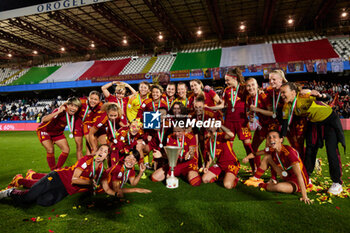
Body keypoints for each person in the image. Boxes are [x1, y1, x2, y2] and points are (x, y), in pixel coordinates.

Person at [279, 82, 346, 195]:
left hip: (329, 120)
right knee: (310, 150)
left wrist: (320, 95)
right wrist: (281, 137)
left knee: (331, 150)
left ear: (293, 92)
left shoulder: (303, 96)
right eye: (281, 93)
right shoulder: (286, 106)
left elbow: (328, 98)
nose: (282, 95)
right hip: (314, 124)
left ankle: (337, 183)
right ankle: (307, 177)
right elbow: (285, 124)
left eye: (284, 92)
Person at [0, 145, 111, 206]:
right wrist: (90, 183)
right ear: (96, 151)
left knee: (44, 202)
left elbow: (105, 186)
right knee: (27, 198)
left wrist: (115, 192)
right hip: (58, 178)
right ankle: (10, 192)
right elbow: (74, 180)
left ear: (106, 157)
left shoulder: (102, 170)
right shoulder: (87, 159)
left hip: (65, 190)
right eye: (101, 149)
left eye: (105, 151)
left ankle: (33, 188)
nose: (102, 152)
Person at [243, 131, 311, 204]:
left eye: (274, 137)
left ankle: (262, 184)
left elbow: (299, 175)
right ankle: (256, 179)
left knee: (279, 187)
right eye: (269, 137)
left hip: (297, 181)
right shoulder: (271, 149)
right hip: (285, 175)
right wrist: (247, 157)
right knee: (267, 157)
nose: (271, 139)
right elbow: (255, 154)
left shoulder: (289, 152)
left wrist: (304, 196)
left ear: (281, 139)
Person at [37, 97, 81, 170]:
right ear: (67, 105)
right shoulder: (60, 110)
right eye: (72, 105)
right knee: (50, 149)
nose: (73, 108)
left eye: (76, 106)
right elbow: (44, 120)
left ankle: (57, 169)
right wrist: (58, 112)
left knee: (66, 149)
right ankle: (52, 171)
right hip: (45, 131)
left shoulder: (74, 115)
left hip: (58, 133)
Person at [202, 125, 240, 189]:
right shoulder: (208, 141)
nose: (210, 126)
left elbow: (231, 135)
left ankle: (234, 178)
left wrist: (221, 126)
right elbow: (211, 156)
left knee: (227, 185)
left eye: (213, 125)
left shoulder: (221, 135)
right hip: (220, 165)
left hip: (231, 164)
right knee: (204, 179)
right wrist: (207, 166)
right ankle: (222, 175)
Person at [75, 91, 103, 159]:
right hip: (78, 124)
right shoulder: (81, 101)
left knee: (90, 145)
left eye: (95, 99)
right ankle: (80, 165)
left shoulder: (100, 106)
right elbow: (70, 102)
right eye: (91, 98)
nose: (93, 101)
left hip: (88, 125)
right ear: (88, 98)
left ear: (99, 101)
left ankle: (90, 164)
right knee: (79, 146)